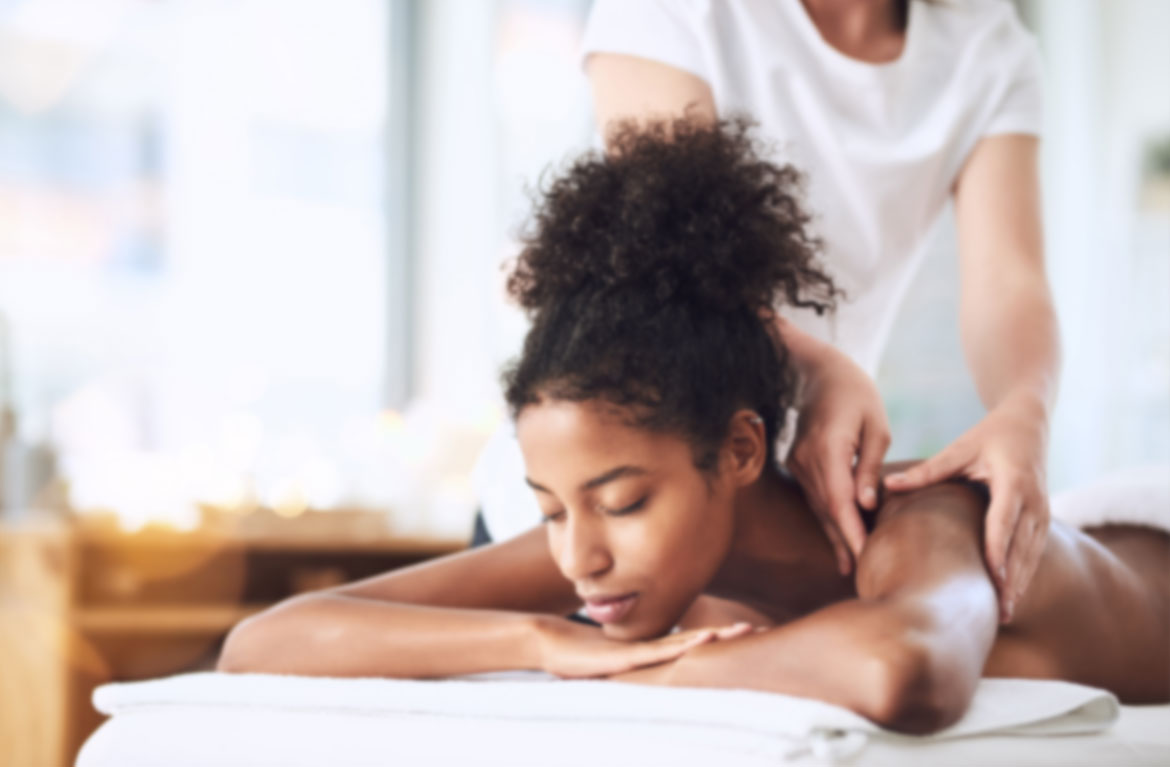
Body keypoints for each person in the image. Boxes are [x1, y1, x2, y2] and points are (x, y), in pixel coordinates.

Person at [217, 119, 1167, 735]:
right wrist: (539, 644)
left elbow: (904, 668)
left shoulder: (929, 519)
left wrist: (628, 674)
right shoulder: (635, 556)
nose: (578, 558)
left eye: (622, 501)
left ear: (742, 449)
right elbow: (268, 641)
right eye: (549, 509)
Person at [471, 0, 1061, 626]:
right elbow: (669, 239)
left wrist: (1024, 409)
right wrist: (813, 369)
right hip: (598, 494)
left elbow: (1009, 279)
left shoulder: (987, 45)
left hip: (766, 518)